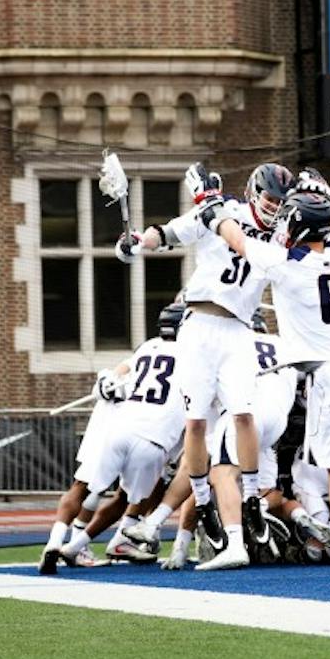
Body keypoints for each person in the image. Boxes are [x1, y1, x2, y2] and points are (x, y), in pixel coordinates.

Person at [115, 161, 294, 567]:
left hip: (238, 329)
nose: (275, 207)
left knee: (243, 415)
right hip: (198, 325)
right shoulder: (221, 210)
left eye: (281, 202)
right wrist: (136, 242)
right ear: (253, 192)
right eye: (270, 198)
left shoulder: (278, 234)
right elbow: (167, 234)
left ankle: (250, 501)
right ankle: (200, 502)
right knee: (195, 422)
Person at [203, 190, 330, 580]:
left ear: (298, 227)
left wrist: (212, 206)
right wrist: (322, 197)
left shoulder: (284, 264)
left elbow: (235, 237)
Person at [40, 301, 186, 574]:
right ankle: (77, 545)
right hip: (153, 439)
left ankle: (54, 541)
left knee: (81, 487)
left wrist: (105, 381)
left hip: (120, 426)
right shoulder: (195, 353)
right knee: (126, 499)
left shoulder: (147, 348)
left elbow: (117, 374)